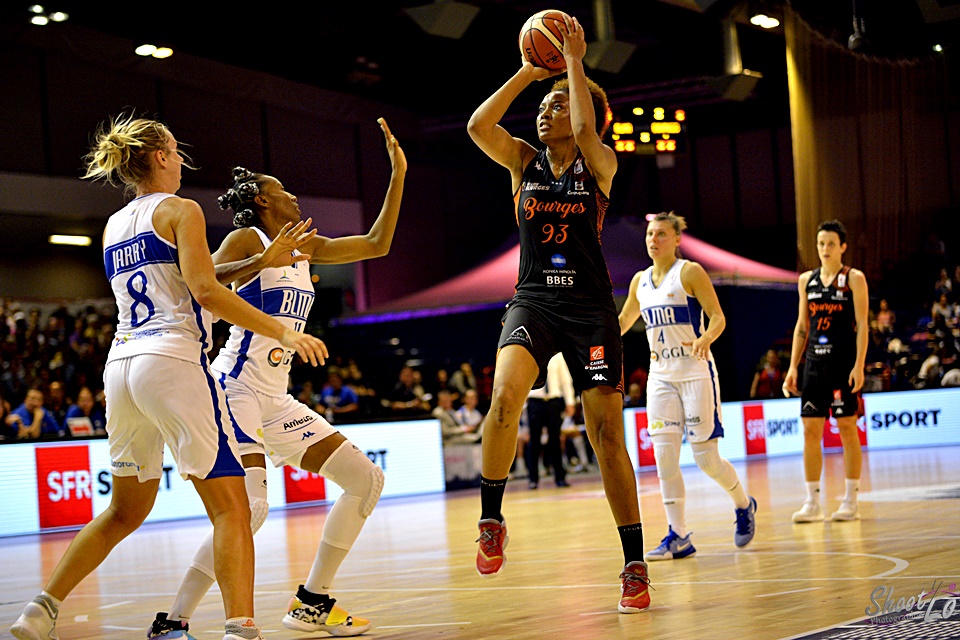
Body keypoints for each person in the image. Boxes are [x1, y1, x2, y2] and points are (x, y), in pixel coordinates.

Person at [12, 112, 328, 640]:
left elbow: (187, 279)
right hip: (174, 360)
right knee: (234, 509)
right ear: (160, 156)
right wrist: (282, 330)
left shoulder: (116, 224)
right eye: (177, 152)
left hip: (122, 367)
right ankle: (241, 630)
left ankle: (40, 610)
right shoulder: (182, 210)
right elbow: (204, 294)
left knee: (125, 510)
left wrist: (260, 262)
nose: (181, 161)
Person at [145, 118, 405, 639]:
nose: (292, 197)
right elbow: (204, 281)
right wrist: (261, 259)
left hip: (275, 397)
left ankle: (312, 601)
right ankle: (172, 621)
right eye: (281, 191)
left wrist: (397, 174)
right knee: (253, 507)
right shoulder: (248, 236)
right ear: (263, 203)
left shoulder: (306, 248)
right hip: (232, 390)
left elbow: (377, 244)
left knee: (365, 479)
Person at [465, 14, 649, 613]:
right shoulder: (522, 162)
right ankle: (491, 519)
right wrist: (529, 70)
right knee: (503, 398)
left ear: (585, 117)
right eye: (543, 106)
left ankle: (634, 563)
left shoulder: (600, 164)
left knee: (605, 437)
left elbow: (586, 126)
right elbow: (477, 125)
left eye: (557, 105)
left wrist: (573, 64)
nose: (545, 113)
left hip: (591, 307)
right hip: (535, 299)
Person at [619, 212, 757, 561]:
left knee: (706, 458)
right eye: (650, 234)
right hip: (660, 376)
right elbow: (622, 322)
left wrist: (707, 338)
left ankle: (743, 504)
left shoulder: (690, 272)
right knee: (663, 458)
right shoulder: (640, 281)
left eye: (662, 234)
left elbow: (718, 317)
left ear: (677, 239)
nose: (654, 239)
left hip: (695, 371)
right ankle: (678, 535)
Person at [784, 220, 869, 523]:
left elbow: (862, 327)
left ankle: (851, 499)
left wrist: (859, 365)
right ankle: (812, 502)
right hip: (814, 366)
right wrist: (793, 366)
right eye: (821, 243)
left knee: (847, 427)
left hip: (844, 365)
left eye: (831, 243)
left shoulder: (854, 278)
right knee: (810, 430)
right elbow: (801, 327)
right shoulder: (806, 280)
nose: (825, 249)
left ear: (843, 246)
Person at [524, 352, 575, 489]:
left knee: (555, 440)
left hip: (553, 402)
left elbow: (565, 380)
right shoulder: (529, 353)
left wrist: (570, 402)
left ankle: (560, 477)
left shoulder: (558, 356)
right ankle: (533, 479)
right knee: (534, 442)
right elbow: (522, 379)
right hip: (535, 402)